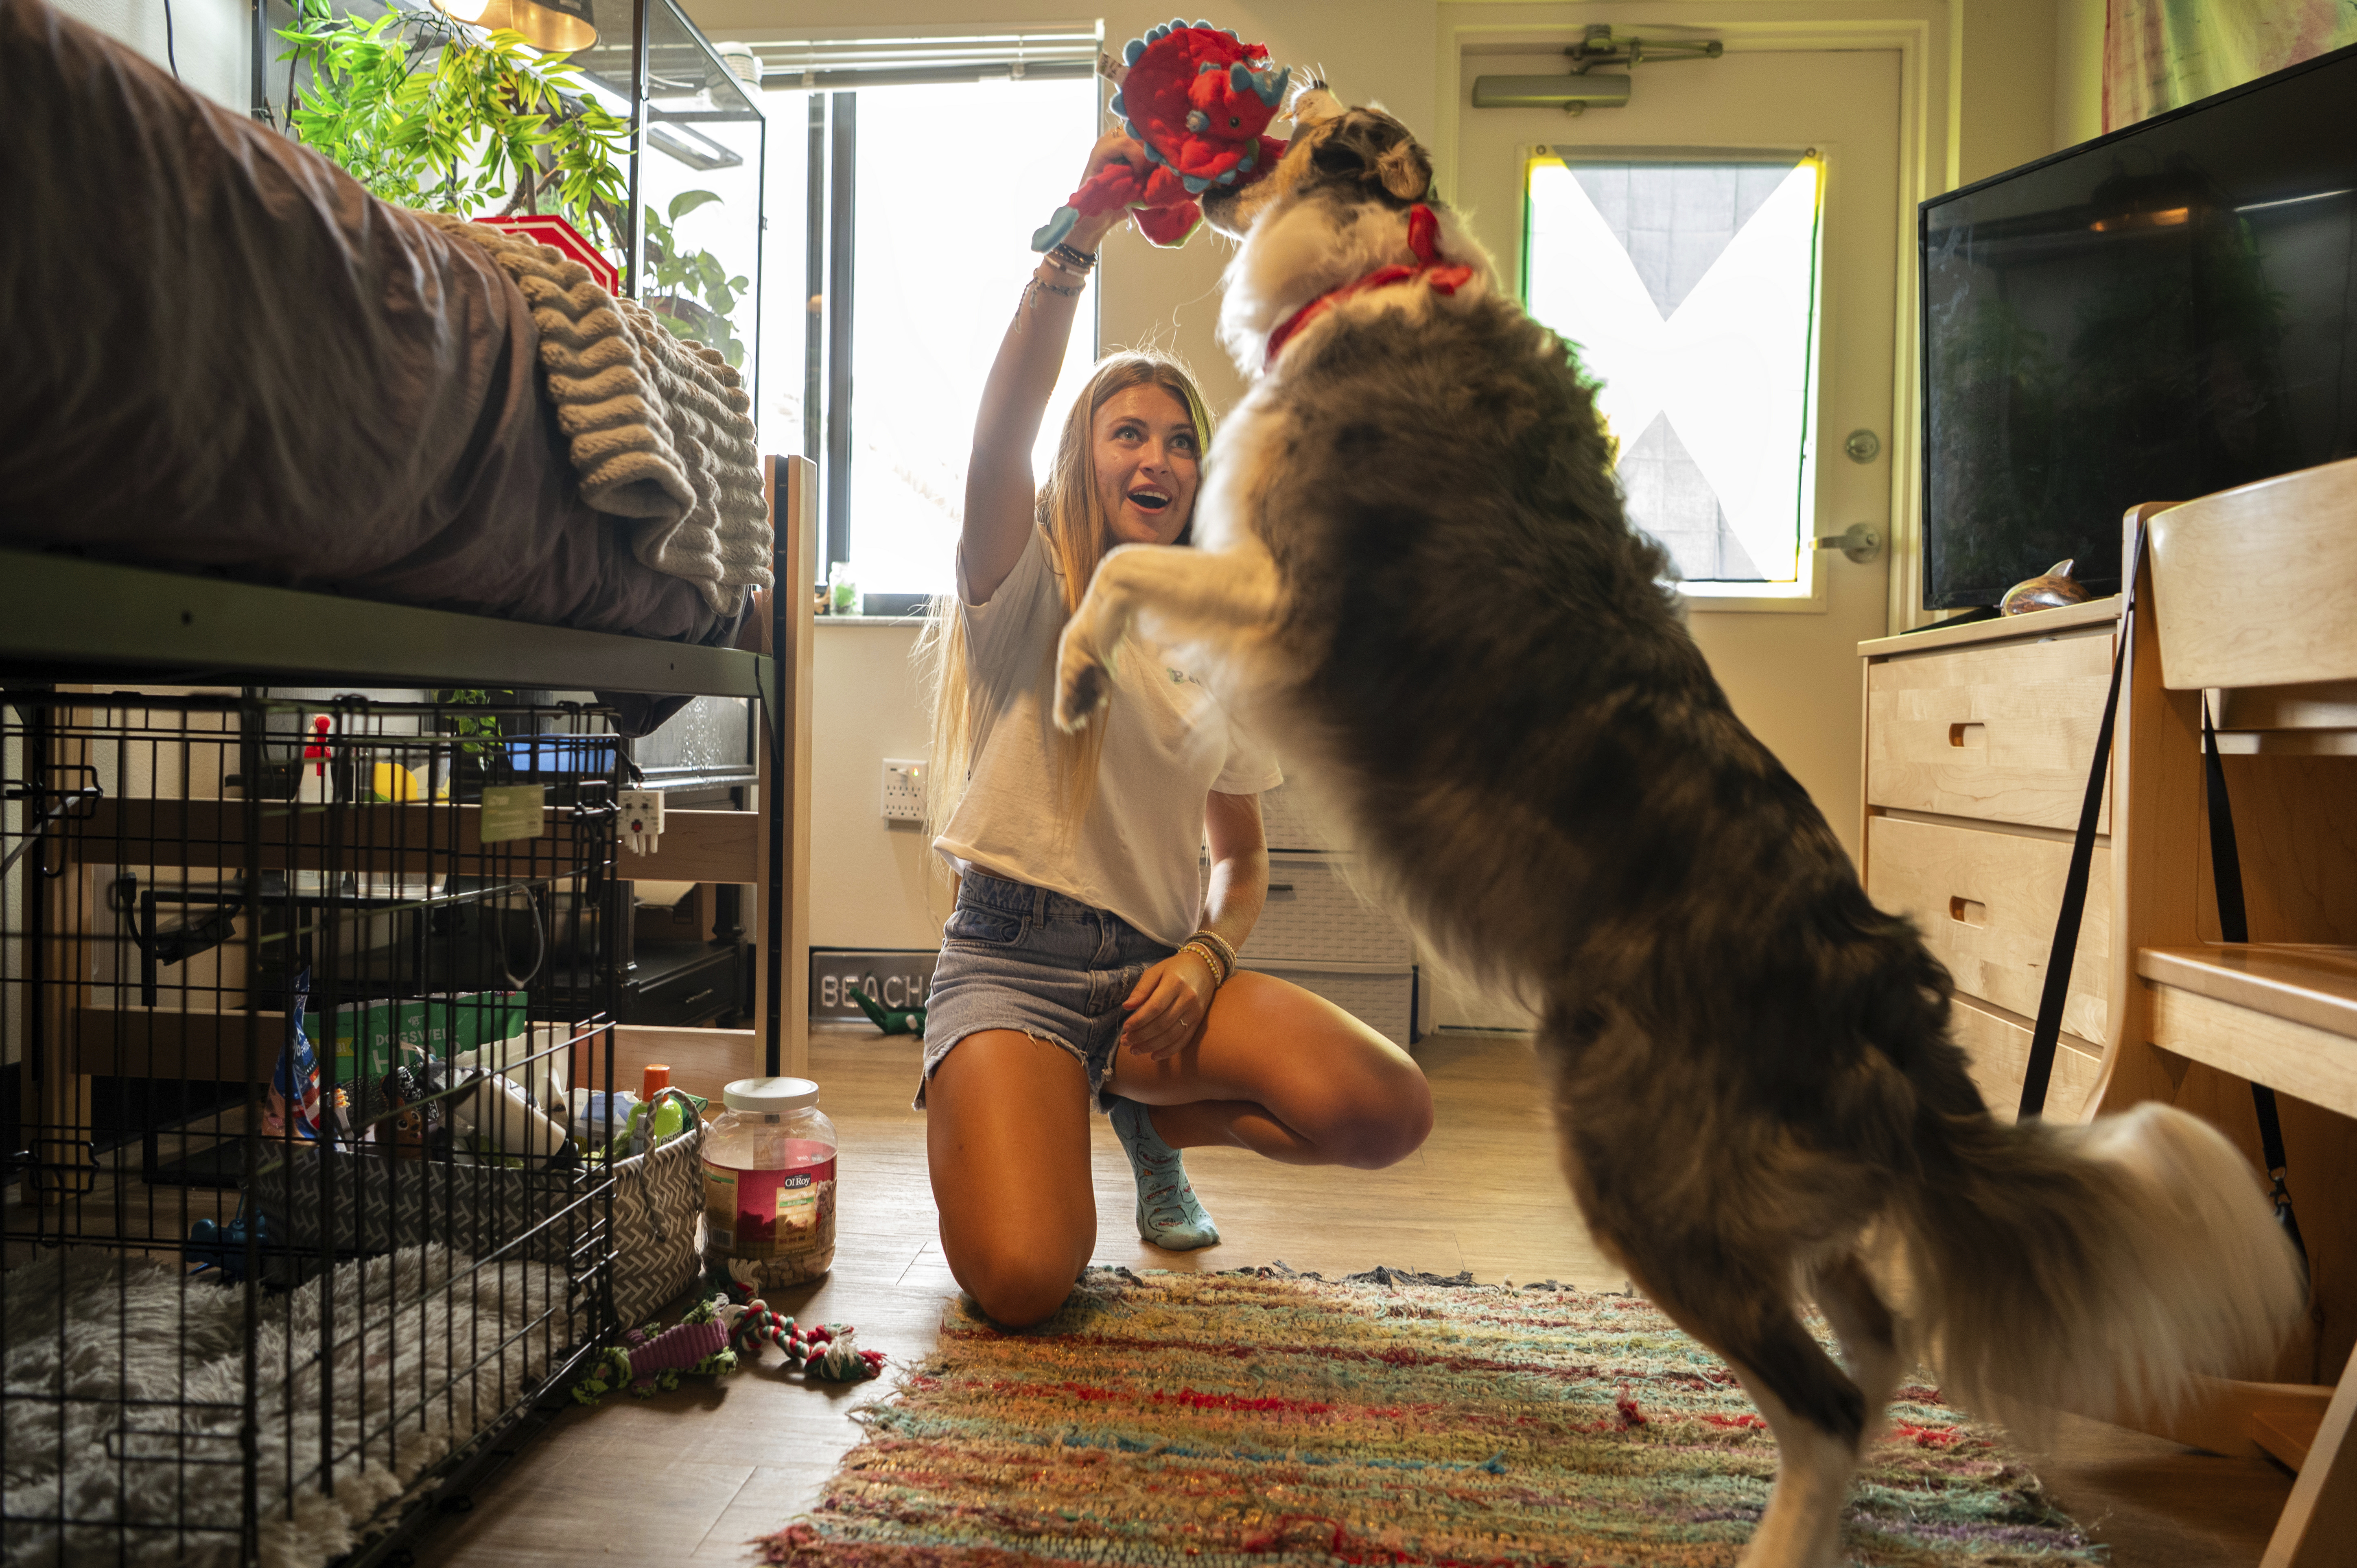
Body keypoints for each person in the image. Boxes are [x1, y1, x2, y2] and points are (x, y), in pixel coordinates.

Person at [914, 132, 1436, 1329]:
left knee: (1386, 1109)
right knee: (1026, 1281)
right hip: (1013, 965)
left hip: (1153, 975)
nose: (1159, 455)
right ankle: (1011, 1095)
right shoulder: (1028, 593)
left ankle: (1136, 1108)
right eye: (1129, 432)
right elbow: (998, 439)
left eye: (1182, 438)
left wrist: (1206, 958)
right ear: (1086, 461)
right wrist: (1078, 239)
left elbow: (1241, 861)